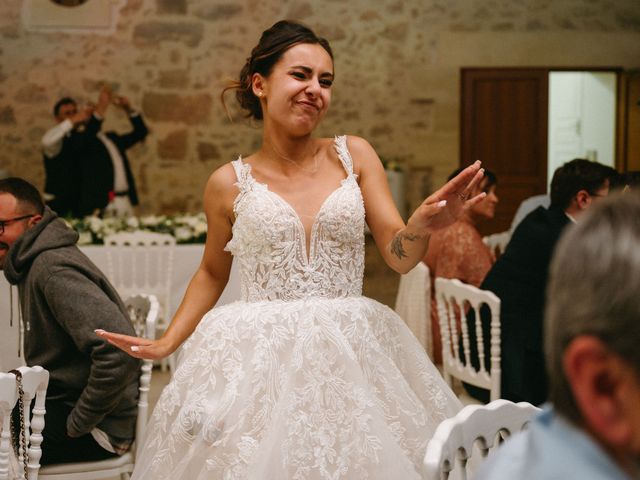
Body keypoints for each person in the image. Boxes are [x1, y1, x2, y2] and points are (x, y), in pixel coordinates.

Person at [98, 20, 486, 479]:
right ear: (260, 84)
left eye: (325, 81)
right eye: (300, 75)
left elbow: (399, 256)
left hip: (350, 351)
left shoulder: (355, 156)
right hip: (262, 360)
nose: (314, 90)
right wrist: (167, 341)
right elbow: (211, 273)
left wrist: (421, 226)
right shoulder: (226, 183)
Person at [476, 192, 640, 480]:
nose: (493, 198)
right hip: (512, 352)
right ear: (604, 385)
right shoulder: (550, 234)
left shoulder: (539, 220)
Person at [0, 177, 140, 465]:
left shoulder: (52, 270)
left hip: (97, 429)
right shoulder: (35, 262)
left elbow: (119, 349)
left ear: (33, 222)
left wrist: (79, 423)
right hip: (60, 405)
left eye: (1, 226)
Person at [465, 159, 617, 404]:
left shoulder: (540, 219)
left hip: (481, 355)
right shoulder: (566, 241)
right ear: (583, 199)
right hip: (514, 372)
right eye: (607, 199)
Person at [423, 168, 498, 363]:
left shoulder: (438, 225)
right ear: (463, 195)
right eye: (487, 191)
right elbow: (492, 290)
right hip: (460, 338)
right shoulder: (462, 235)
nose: (494, 199)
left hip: (438, 325)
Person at [41, 86, 148, 218]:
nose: (77, 115)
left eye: (76, 112)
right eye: (69, 114)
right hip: (102, 203)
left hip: (125, 199)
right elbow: (83, 138)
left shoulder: (111, 138)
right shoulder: (77, 141)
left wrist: (128, 109)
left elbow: (140, 133)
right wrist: (100, 110)